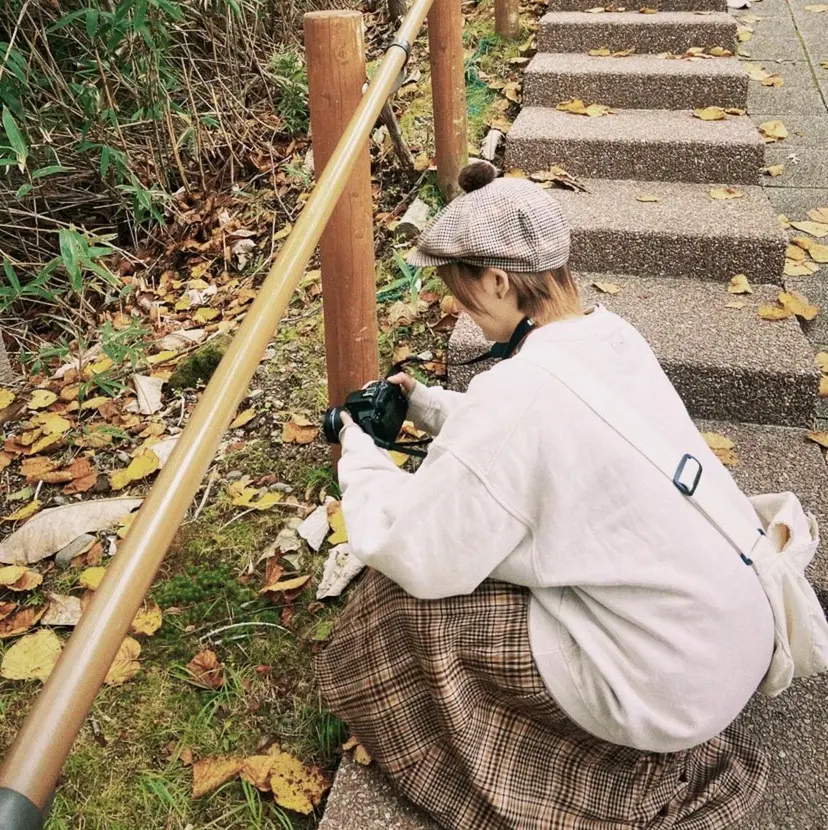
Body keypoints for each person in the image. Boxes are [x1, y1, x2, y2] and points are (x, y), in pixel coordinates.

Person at [313, 160, 775, 829]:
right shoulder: (613, 337)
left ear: (499, 281)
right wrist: (430, 407)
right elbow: (541, 422)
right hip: (727, 631)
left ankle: (536, 774)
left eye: (466, 299)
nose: (462, 313)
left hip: (671, 684)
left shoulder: (518, 395)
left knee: (407, 609)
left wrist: (358, 449)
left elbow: (414, 548)